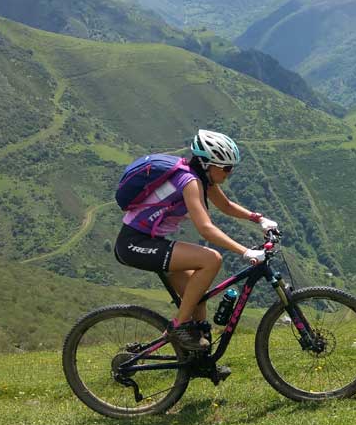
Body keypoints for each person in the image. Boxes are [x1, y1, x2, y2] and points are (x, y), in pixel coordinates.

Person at [113, 129, 278, 350]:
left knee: (196, 293)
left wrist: (258, 219)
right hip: (134, 244)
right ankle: (178, 327)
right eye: (227, 168)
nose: (229, 174)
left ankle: (200, 351)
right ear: (208, 164)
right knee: (212, 259)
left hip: (151, 241)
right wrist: (246, 252)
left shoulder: (201, 178)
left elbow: (226, 206)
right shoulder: (189, 181)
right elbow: (206, 229)